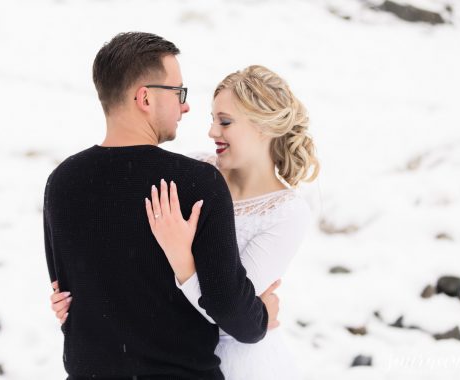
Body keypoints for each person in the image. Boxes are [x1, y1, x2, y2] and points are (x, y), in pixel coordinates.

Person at [53, 64, 320, 379]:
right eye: (212, 119)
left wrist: (183, 259)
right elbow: (135, 253)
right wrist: (89, 300)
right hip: (161, 350)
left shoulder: (286, 213)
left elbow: (229, 311)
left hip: (232, 359)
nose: (212, 132)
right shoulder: (195, 170)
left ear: (264, 127)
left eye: (225, 122)